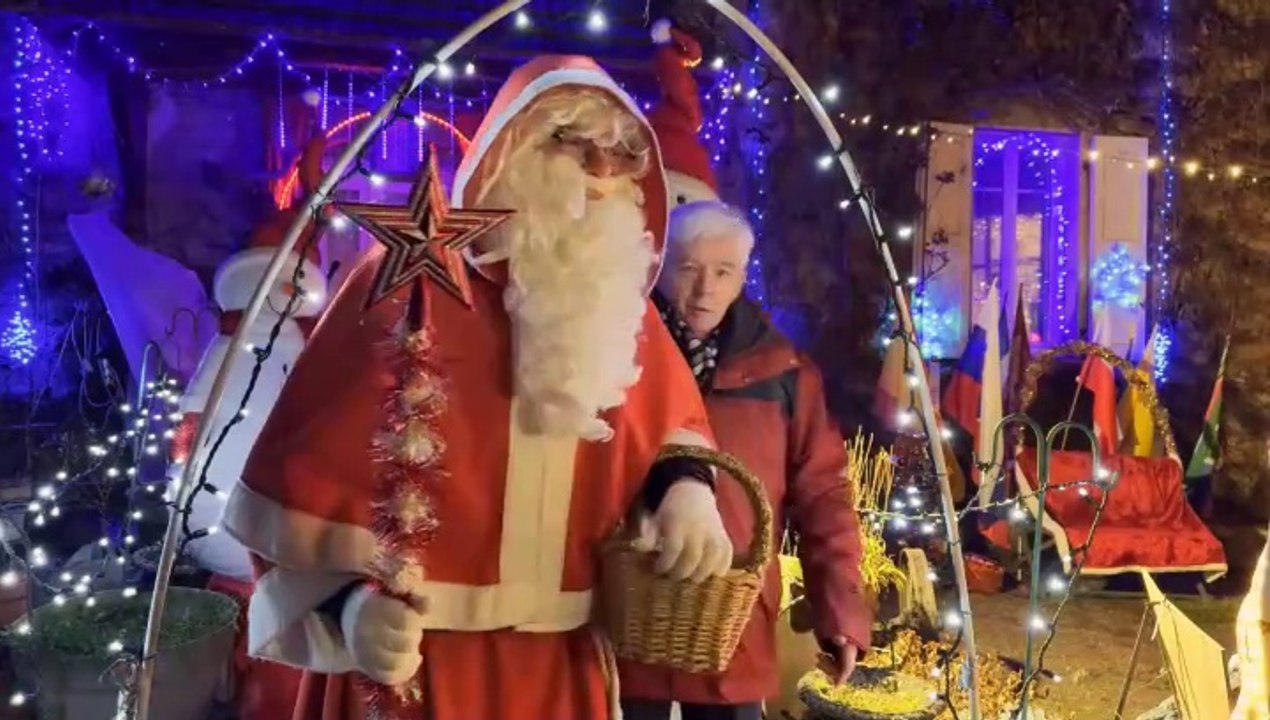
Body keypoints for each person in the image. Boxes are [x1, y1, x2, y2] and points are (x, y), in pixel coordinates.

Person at [221, 55, 735, 720]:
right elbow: (292, 496)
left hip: (561, 669)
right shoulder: (406, 286)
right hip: (414, 666)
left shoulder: (618, 312)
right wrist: (346, 609)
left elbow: (672, 432)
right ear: (506, 155)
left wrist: (687, 493)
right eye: (570, 144)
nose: (604, 173)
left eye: (620, 152)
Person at [619, 201, 872, 720]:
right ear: (660, 269)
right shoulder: (617, 358)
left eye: (723, 271)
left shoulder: (784, 374)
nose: (705, 288)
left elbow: (823, 495)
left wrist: (841, 614)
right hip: (631, 613)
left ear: (742, 277)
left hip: (733, 621)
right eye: (688, 269)